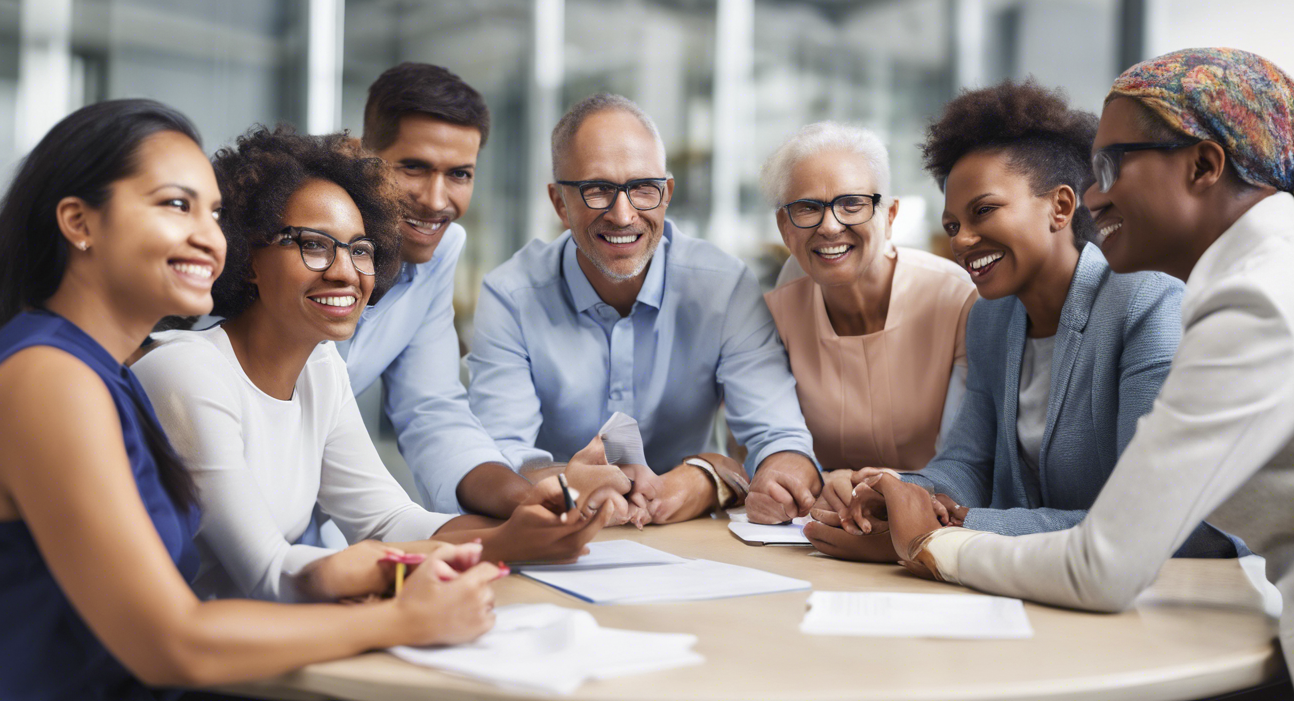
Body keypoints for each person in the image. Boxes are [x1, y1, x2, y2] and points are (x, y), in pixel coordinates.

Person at [853, 48, 1294, 701]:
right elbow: (971, 460)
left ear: (1203, 166)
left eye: (1111, 167)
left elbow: (1109, 564)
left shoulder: (1256, 301)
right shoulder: (1261, 278)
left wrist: (931, 542)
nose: (1093, 194)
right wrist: (904, 493)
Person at [0, 100, 501, 701]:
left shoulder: (104, 375)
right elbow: (173, 641)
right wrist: (402, 618)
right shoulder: (51, 376)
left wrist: (346, 575)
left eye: (213, 212)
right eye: (176, 205)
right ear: (79, 222)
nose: (210, 235)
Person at [131, 125, 613, 608]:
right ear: (248, 254)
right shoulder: (187, 372)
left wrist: (534, 523)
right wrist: (504, 545)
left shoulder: (319, 367)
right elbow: (272, 575)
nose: (345, 272)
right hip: (192, 669)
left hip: (279, 648)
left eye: (359, 250)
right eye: (314, 244)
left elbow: (388, 521)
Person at [809, 80, 1238, 562]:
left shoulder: (1146, 303)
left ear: (1060, 206)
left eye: (984, 211)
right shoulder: (991, 320)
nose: (963, 240)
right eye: (952, 225)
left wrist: (945, 530)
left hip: (1166, 592)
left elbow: (1150, 517)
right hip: (1035, 583)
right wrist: (896, 495)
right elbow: (969, 463)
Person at [468, 92, 821, 526]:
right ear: (560, 202)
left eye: (643, 189)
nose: (623, 214)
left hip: (690, 547)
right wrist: (575, 482)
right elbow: (497, 455)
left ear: (667, 193)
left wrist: (727, 478)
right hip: (557, 533)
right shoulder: (510, 296)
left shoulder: (724, 288)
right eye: (598, 190)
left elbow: (781, 438)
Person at [341, 62, 531, 517]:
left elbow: (430, 410)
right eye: (413, 167)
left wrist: (524, 499)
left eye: (460, 174)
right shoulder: (303, 238)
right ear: (363, 156)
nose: (435, 199)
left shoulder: (441, 250)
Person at [760, 121, 977, 486]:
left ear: (889, 216)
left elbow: (966, 459)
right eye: (808, 208)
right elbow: (765, 450)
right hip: (812, 520)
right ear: (785, 227)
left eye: (852, 204)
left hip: (932, 516)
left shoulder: (955, 298)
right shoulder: (771, 316)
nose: (830, 226)